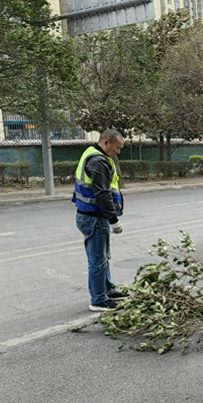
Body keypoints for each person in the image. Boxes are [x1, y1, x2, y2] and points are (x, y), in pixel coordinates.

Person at [72, 129, 128, 311]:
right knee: (97, 260)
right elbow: (103, 194)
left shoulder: (94, 153)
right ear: (106, 143)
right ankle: (98, 300)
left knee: (103, 258)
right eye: (117, 147)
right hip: (94, 217)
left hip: (91, 215)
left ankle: (108, 290)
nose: (119, 151)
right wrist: (114, 220)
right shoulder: (98, 161)